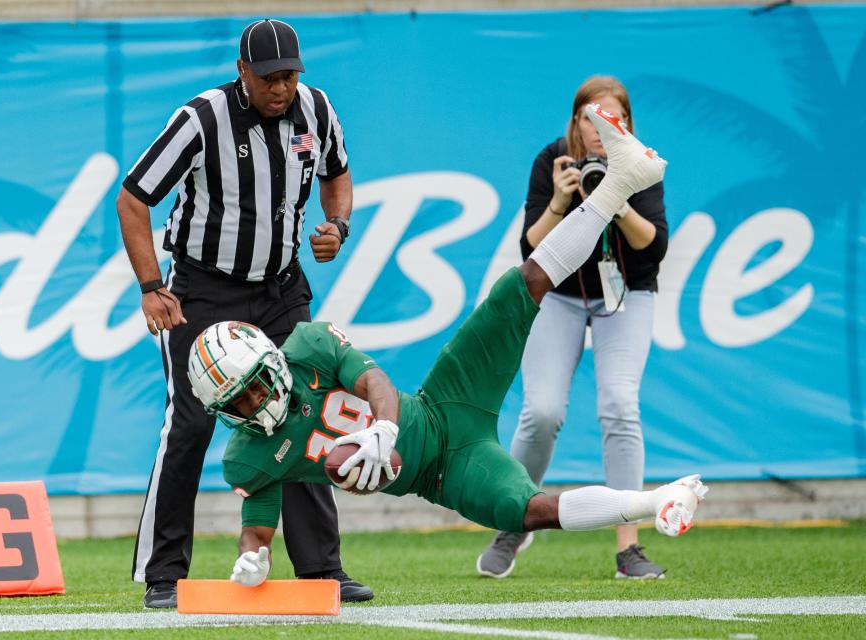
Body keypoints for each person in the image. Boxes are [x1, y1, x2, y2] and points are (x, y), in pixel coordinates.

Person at [186, 105, 708, 589]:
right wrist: (253, 562)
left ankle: (619, 181)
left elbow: (374, 383)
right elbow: (256, 529)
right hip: (443, 474)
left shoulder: (308, 344)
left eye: (252, 388)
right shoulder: (247, 458)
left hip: (444, 401)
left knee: (514, 288)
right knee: (521, 510)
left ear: (270, 363)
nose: (252, 404)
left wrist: (383, 430)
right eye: (236, 403)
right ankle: (659, 498)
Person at [116, 18, 372, 608]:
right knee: (192, 422)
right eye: (268, 78)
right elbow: (133, 197)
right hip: (203, 289)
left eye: (288, 77)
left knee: (304, 410)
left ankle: (320, 571)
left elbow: (337, 175)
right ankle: (163, 573)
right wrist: (152, 286)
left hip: (280, 286)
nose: (280, 88)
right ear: (242, 73)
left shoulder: (317, 108)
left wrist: (338, 225)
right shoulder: (200, 118)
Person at [476, 76, 669, 581]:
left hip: (626, 293)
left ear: (627, 122)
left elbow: (655, 246)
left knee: (620, 405)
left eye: (614, 117)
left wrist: (617, 196)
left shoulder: (641, 162)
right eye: (592, 116)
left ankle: (629, 546)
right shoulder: (553, 160)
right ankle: (514, 521)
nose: (603, 127)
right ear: (576, 122)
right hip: (560, 294)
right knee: (540, 411)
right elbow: (530, 248)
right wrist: (563, 201)